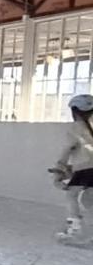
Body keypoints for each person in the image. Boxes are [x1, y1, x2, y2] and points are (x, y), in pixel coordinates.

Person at [51, 94, 93, 243]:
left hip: (85, 168)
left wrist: (59, 169)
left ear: (74, 111)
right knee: (89, 198)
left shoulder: (76, 128)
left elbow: (68, 149)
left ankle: (75, 230)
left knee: (71, 196)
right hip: (87, 168)